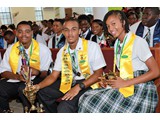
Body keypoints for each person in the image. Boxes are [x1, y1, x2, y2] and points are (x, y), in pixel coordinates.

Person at [78, 10, 159, 113]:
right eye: (108, 26)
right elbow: (123, 70)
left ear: (123, 22)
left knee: (89, 102)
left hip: (140, 87)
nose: (111, 29)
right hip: (125, 82)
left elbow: (156, 71)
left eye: (113, 24)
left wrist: (125, 82)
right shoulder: (117, 43)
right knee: (85, 97)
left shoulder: (138, 41)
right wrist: (108, 81)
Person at [32, 18, 106, 113]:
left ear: (79, 31)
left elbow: (99, 74)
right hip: (69, 80)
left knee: (64, 106)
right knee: (43, 93)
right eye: (66, 30)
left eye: (74, 29)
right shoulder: (62, 51)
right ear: (63, 32)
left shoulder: (92, 46)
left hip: (89, 82)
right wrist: (38, 86)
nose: (70, 33)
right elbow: (54, 75)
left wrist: (78, 87)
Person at [0, 21, 52, 112]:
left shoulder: (43, 49)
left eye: (27, 31)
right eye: (20, 32)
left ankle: (30, 111)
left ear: (32, 32)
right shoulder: (11, 49)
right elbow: (3, 71)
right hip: (17, 79)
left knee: (24, 89)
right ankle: (4, 111)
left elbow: (47, 74)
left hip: (36, 79)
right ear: (16, 33)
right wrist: (18, 77)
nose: (24, 35)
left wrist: (36, 71)